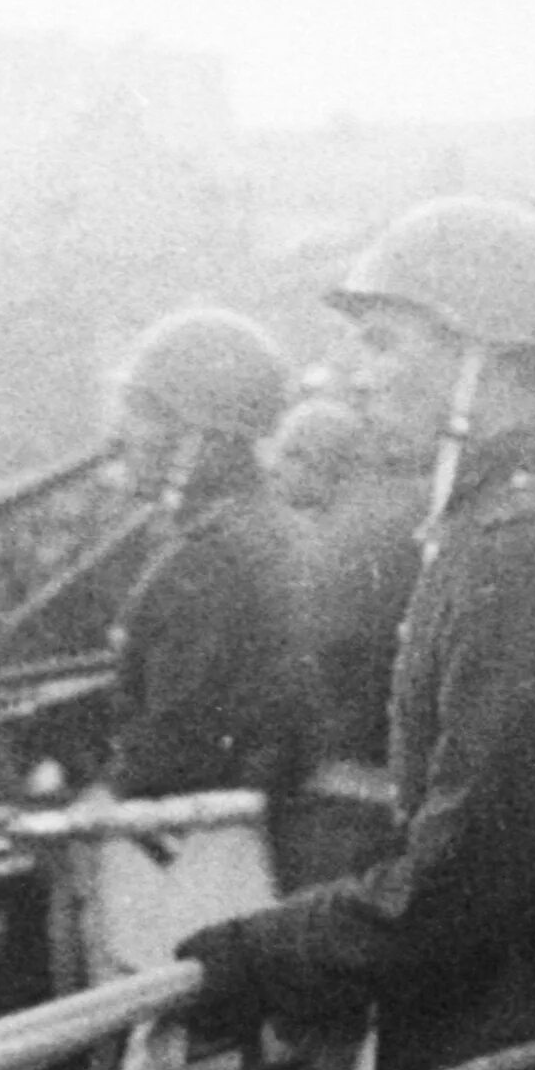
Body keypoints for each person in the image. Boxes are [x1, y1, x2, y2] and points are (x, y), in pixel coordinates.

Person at [174, 197, 535, 1070]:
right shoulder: (506, 521)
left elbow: (469, 880)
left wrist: (255, 954)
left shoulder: (525, 548)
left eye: (382, 342)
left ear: (479, 357)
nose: (356, 376)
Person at [97, 307, 312, 808]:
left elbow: (174, 752)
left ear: (203, 434)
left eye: (146, 411)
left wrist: (91, 805)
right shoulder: (264, 526)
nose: (122, 434)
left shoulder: (209, 560)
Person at [267, 391, 422, 886]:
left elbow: (315, 669)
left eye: (293, 454)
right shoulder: (396, 512)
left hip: (347, 795)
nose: (276, 468)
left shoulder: (339, 541)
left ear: (323, 464)